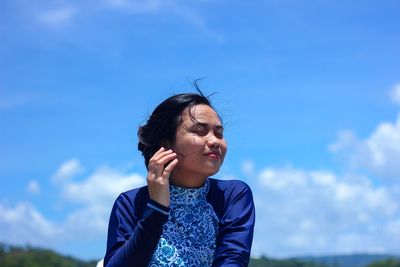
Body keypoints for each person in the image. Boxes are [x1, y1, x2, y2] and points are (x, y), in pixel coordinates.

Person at [104, 88, 255, 267]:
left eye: (219, 133)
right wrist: (157, 209)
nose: (215, 141)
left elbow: (233, 260)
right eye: (200, 131)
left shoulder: (232, 195)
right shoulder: (130, 203)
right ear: (166, 144)